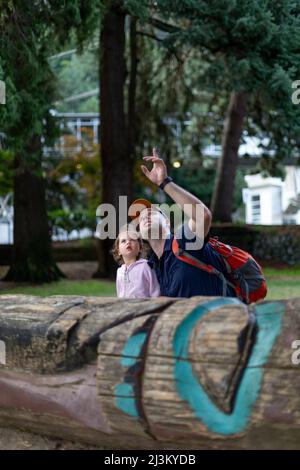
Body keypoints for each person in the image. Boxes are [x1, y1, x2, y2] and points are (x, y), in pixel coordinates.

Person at [129, 148, 236, 298]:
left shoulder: (183, 241)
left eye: (152, 213)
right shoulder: (152, 267)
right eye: (140, 219)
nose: (145, 217)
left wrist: (164, 183)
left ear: (166, 221)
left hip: (223, 317)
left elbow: (202, 215)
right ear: (141, 234)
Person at [112, 224, 160, 298]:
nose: (128, 242)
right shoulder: (119, 271)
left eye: (132, 240)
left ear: (140, 248)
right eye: (123, 241)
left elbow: (155, 292)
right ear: (119, 251)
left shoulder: (146, 266)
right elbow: (120, 294)